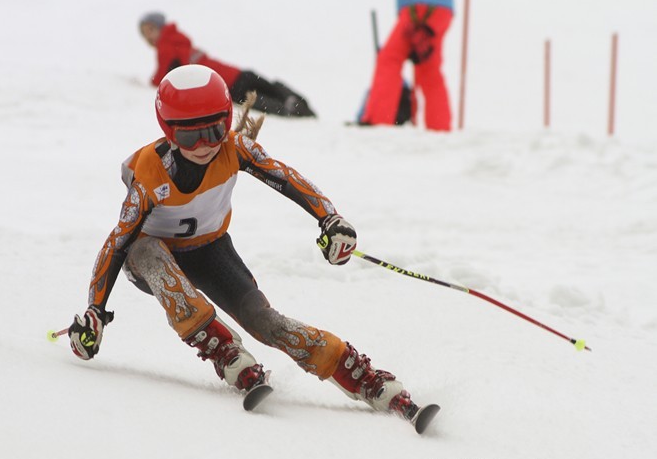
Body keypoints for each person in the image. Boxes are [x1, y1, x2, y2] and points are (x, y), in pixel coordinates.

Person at [68, 64, 427, 426]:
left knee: (265, 321)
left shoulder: (234, 148)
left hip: (210, 251)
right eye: (191, 138)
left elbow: (287, 178)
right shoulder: (150, 172)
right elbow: (117, 243)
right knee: (144, 248)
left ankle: (362, 376)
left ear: (227, 121)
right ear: (168, 131)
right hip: (150, 260)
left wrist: (330, 219)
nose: (205, 146)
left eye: (214, 130)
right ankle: (223, 349)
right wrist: (95, 312)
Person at [138, 12, 315, 118]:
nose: (149, 37)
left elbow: (163, 78)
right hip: (239, 73)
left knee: (264, 104)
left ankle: (294, 112)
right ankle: (297, 102)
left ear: (161, 27)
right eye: (145, 34)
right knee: (271, 87)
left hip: (229, 86)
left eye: (150, 30)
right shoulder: (180, 40)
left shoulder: (166, 46)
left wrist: (152, 81)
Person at [361, 0, 454, 131]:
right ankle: (440, 127)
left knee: (390, 59)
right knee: (429, 71)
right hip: (442, 10)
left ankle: (378, 119)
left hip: (416, 7)